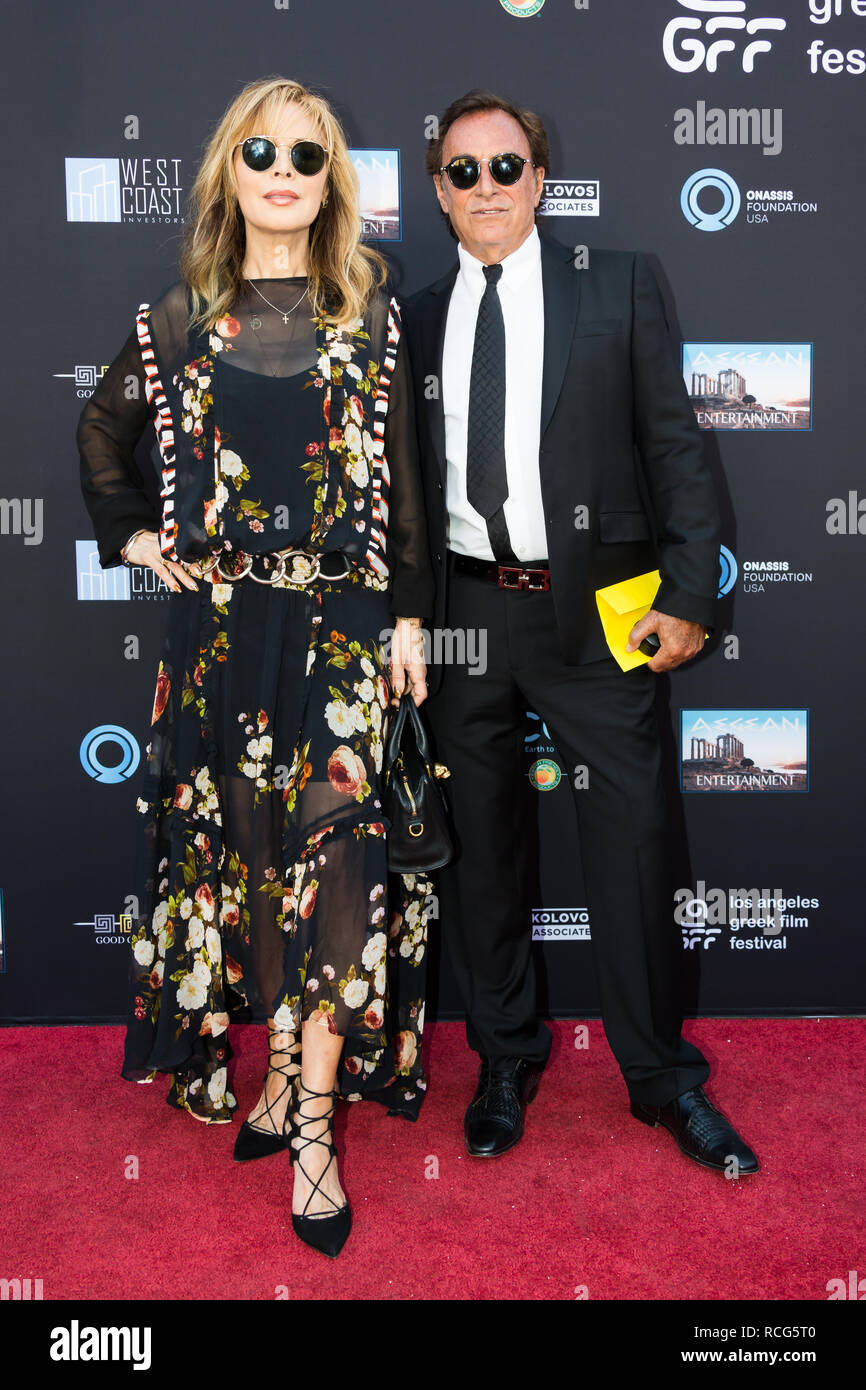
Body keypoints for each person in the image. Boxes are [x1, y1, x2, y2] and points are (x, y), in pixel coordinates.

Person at [77, 76, 433, 1258]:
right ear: (230, 169)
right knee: (251, 859)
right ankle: (276, 1070)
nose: (283, 171)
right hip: (224, 634)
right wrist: (131, 532)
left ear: (332, 179)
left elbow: (408, 489)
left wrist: (408, 622)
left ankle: (317, 1126)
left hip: (341, 624)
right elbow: (100, 430)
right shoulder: (181, 315)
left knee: (337, 861)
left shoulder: (372, 311)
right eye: (261, 151)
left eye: (308, 154)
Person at [403, 89, 758, 1174]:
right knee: (480, 857)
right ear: (436, 193)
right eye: (462, 173)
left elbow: (677, 450)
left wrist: (691, 598)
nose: (486, 190)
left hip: (598, 615)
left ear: (539, 178)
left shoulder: (618, 284)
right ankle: (504, 1058)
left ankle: (660, 1079)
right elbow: (400, 491)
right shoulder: (409, 318)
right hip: (465, 613)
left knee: (635, 843)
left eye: (504, 168)